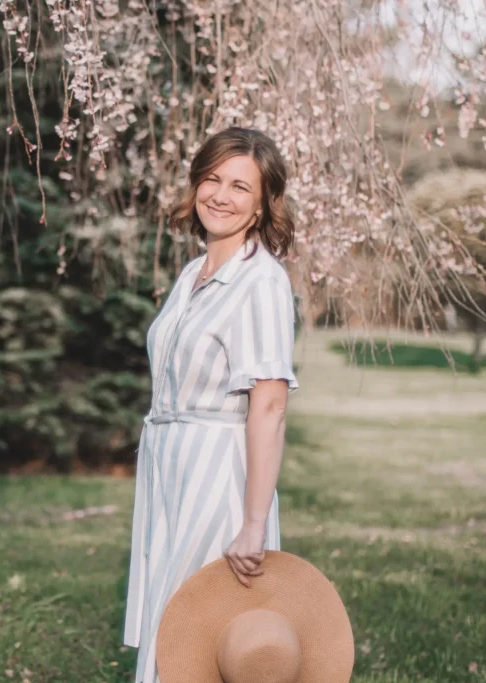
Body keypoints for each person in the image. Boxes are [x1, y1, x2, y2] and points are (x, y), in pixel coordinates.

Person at [123, 127, 299, 683]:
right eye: (213, 178)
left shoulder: (262, 282)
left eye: (240, 187)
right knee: (172, 618)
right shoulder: (189, 275)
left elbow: (268, 406)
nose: (220, 195)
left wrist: (252, 523)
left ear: (261, 205)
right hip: (168, 467)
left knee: (201, 624)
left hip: (218, 469)